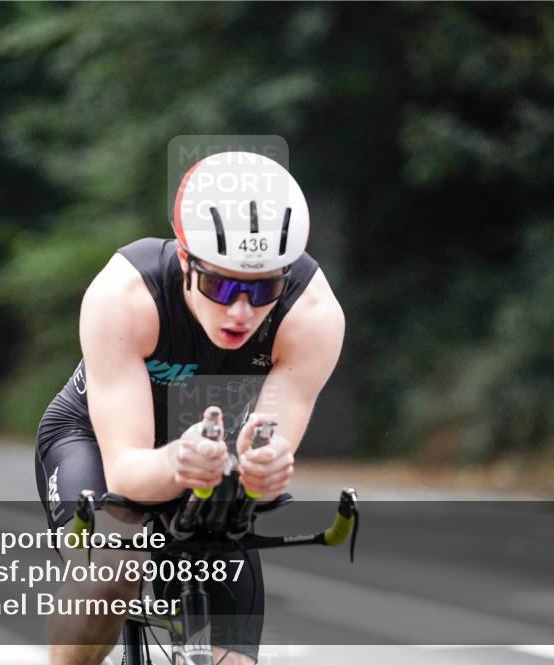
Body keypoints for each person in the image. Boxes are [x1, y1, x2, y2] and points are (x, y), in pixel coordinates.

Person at [34, 151, 345, 664]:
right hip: (95, 438)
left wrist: (264, 470)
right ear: (185, 260)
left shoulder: (311, 316)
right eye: (221, 285)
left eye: (264, 288)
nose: (241, 311)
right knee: (112, 572)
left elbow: (267, 454)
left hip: (214, 459)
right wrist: (177, 461)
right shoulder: (125, 296)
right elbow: (128, 471)